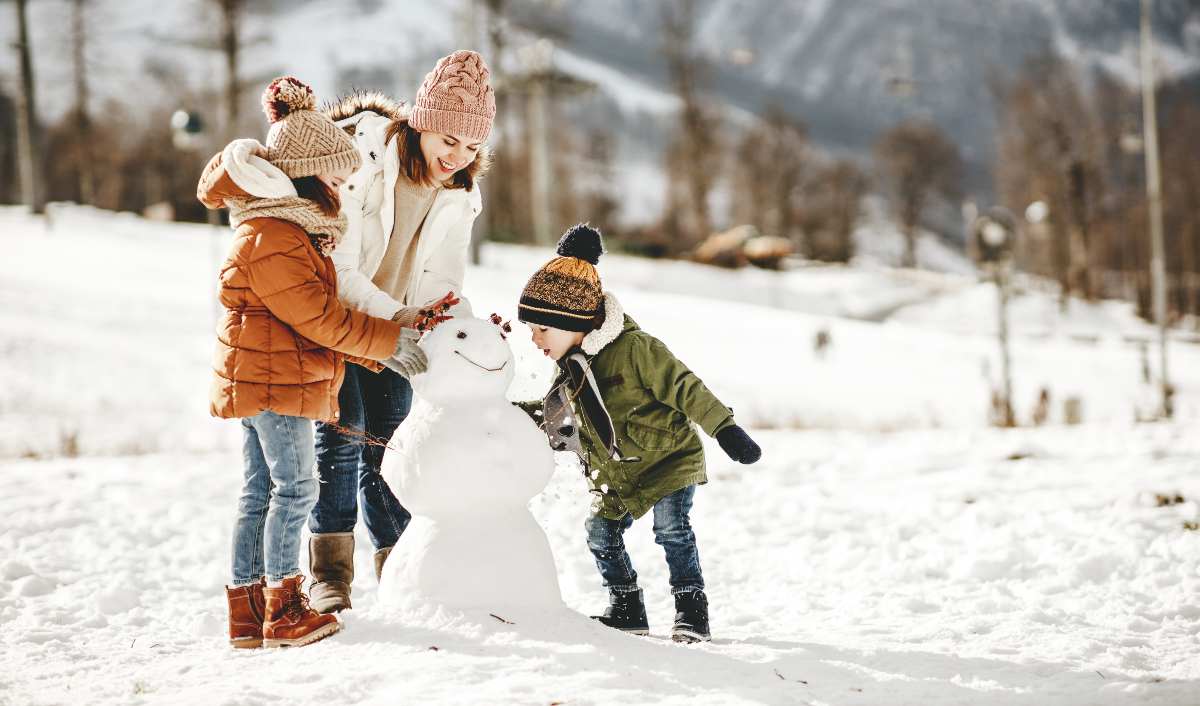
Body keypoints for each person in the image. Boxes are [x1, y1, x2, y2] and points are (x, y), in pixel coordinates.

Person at [197, 75, 428, 648]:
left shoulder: (284, 229)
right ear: (304, 172)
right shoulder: (275, 234)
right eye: (334, 177)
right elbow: (318, 315)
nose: (342, 189)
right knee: (296, 489)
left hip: (268, 378)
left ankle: (247, 616)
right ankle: (284, 607)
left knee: (259, 493)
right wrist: (387, 340)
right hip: (276, 382)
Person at [305, 50, 495, 614]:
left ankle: (401, 565)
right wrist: (395, 317)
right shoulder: (363, 158)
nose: (456, 157)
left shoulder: (459, 193)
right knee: (344, 435)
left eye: (471, 147)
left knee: (390, 444)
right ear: (422, 123)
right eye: (448, 140)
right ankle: (330, 573)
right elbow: (338, 262)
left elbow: (443, 279)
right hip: (338, 318)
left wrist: (465, 330)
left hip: (397, 331)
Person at [515, 224, 763, 643]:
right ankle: (627, 607)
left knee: (671, 530)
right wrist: (503, 418)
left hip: (668, 460)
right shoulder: (570, 366)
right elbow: (556, 417)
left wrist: (725, 429)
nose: (535, 338)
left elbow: (685, 386)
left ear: (572, 320)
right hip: (620, 475)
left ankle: (691, 612)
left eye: (542, 329)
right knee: (600, 532)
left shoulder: (635, 350)